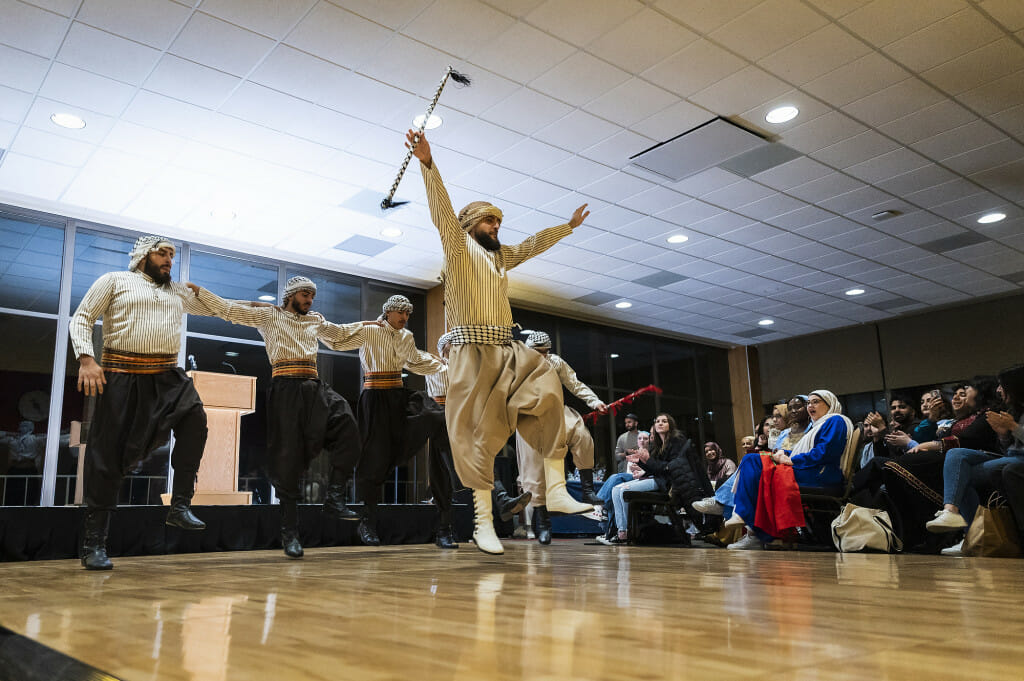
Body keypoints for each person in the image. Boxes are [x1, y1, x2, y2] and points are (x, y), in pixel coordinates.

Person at [409, 128, 593, 555]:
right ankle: (482, 521)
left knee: (549, 395)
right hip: (471, 351)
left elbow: (529, 246)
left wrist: (566, 227)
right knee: (481, 436)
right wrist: (428, 163)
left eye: (499, 221)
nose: (497, 227)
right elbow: (441, 212)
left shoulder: (499, 256)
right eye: (490, 220)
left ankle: (558, 487)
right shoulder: (458, 249)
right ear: (472, 224)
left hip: (507, 347)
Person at [187, 276, 374, 558]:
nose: (310, 300)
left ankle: (335, 498)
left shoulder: (315, 320)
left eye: (312, 296)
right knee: (288, 459)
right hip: (286, 389)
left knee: (347, 426)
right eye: (304, 295)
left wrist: (368, 326)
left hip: (314, 387)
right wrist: (203, 293)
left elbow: (338, 334)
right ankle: (290, 532)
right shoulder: (269, 315)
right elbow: (229, 311)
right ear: (290, 295)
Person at [69, 236, 212, 570]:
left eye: (172, 255)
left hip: (166, 376)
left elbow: (221, 309)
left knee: (195, 420)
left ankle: (179, 506)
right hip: (121, 375)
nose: (168, 260)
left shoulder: (176, 292)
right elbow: (82, 318)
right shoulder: (115, 280)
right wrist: (87, 359)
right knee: (108, 457)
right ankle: (94, 543)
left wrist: (262, 312)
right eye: (162, 253)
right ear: (142, 255)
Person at [333, 295, 451, 547]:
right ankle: (368, 523)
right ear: (388, 312)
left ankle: (447, 480)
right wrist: (315, 324)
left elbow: (416, 361)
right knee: (374, 460)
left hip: (398, 395)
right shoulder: (369, 331)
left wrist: (441, 364)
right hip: (375, 398)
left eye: (408, 315)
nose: (405, 318)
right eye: (401, 313)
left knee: (432, 414)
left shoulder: (406, 336)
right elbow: (336, 340)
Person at [427, 332, 532, 541]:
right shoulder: (437, 367)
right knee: (447, 481)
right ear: (445, 350)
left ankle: (502, 502)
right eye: (454, 346)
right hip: (444, 425)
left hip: (465, 426)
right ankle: (445, 530)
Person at [727, 390, 856, 550]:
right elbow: (807, 452)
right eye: (809, 402)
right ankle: (748, 522)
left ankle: (754, 529)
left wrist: (791, 459)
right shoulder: (821, 424)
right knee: (752, 459)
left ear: (830, 404)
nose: (810, 406)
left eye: (815, 402)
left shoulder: (835, 420)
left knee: (759, 470)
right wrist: (784, 453)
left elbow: (825, 453)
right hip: (808, 469)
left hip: (821, 474)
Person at [925, 365, 1024, 556]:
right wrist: (1004, 435)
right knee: (956, 457)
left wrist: (1012, 426)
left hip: (1018, 461)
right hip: (1009, 457)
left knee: (964, 471)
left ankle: (971, 535)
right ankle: (953, 515)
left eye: (1003, 386)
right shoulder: (1013, 409)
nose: (998, 390)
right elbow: (1007, 448)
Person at [607, 413, 693, 544]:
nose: (660, 423)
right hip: (657, 478)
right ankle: (622, 531)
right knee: (615, 490)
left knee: (623, 490)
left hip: (667, 483)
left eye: (664, 421)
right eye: (657, 421)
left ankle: (628, 531)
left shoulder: (676, 442)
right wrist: (640, 462)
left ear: (670, 424)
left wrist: (646, 461)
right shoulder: (659, 445)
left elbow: (668, 468)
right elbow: (654, 468)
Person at [595, 431, 649, 544]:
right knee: (613, 491)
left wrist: (639, 470)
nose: (642, 441)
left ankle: (599, 505)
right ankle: (611, 532)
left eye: (645, 438)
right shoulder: (635, 454)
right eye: (640, 438)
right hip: (633, 479)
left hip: (642, 480)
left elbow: (650, 471)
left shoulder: (650, 453)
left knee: (616, 477)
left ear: (650, 440)